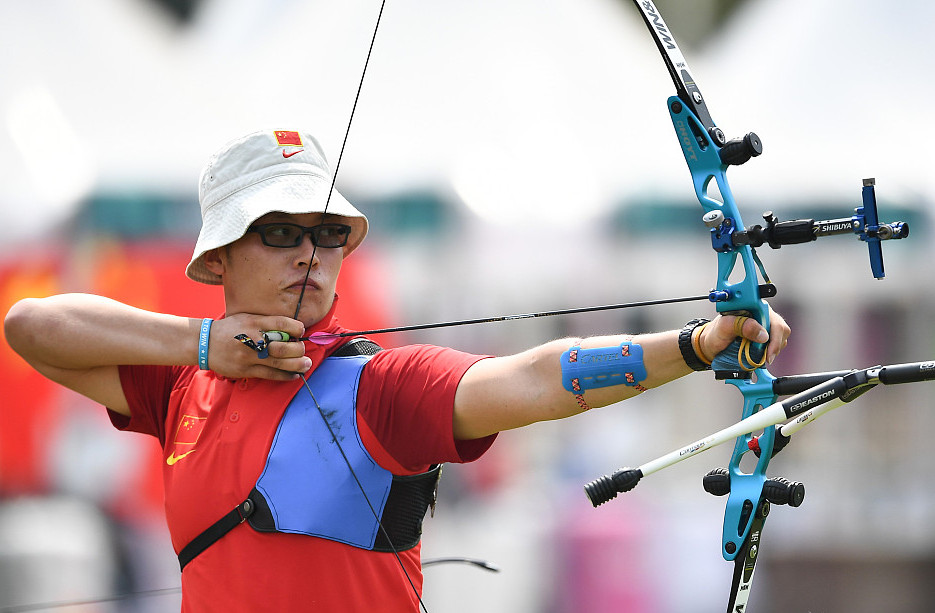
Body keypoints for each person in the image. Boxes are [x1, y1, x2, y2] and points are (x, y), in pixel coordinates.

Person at [4, 129, 790, 612]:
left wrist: (691, 345)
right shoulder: (180, 384)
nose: (309, 253)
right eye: (278, 232)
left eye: (328, 233)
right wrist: (204, 345)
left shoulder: (379, 387)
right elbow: (31, 327)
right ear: (216, 260)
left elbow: (534, 379)